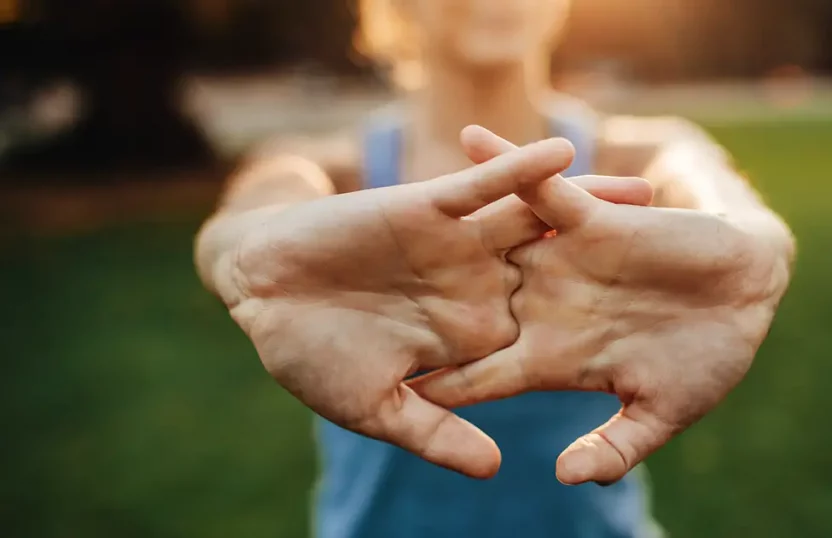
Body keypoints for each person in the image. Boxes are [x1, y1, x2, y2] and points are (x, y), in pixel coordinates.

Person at [193, 1, 795, 537]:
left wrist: (755, 245)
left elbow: (720, 201)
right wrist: (247, 262)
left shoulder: (639, 154)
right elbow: (249, 222)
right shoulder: (329, 168)